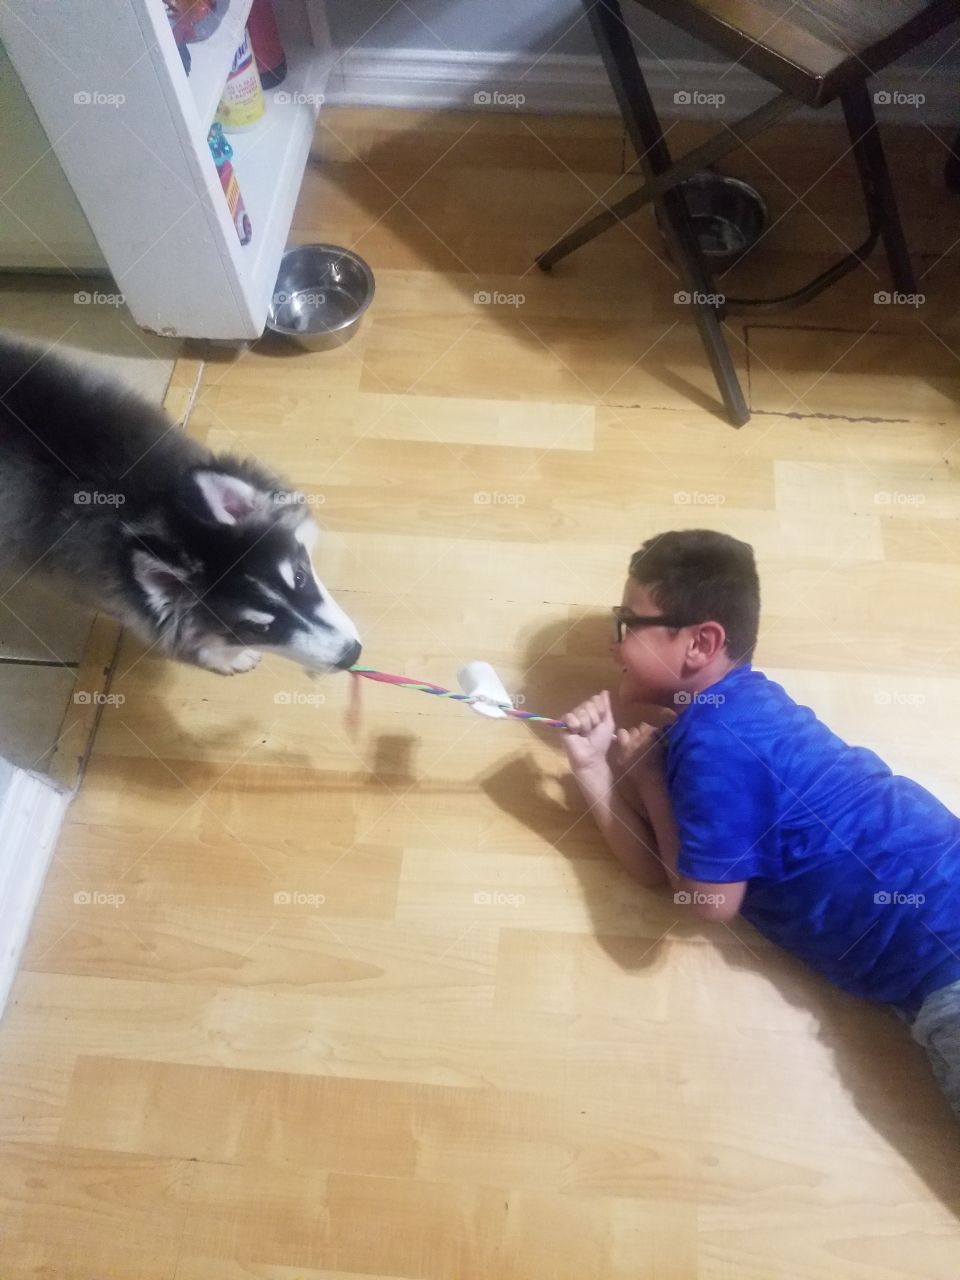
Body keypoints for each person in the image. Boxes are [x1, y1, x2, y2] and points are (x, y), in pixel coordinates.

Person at [562, 528, 960, 1118]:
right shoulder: (734, 714)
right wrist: (594, 767)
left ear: (700, 643)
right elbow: (658, 869)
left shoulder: (711, 742)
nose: (614, 644)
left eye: (629, 621)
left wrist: (645, 779)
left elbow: (705, 899)